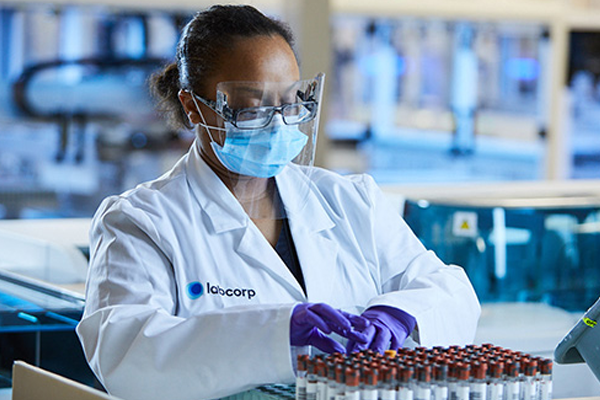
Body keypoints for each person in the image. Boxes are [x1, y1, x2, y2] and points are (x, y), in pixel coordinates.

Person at [76, 5, 481, 400]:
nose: (278, 122)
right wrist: (277, 332)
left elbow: (450, 290)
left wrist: (399, 315)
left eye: (290, 103)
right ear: (193, 106)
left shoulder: (348, 199)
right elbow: (125, 357)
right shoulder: (141, 221)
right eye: (252, 109)